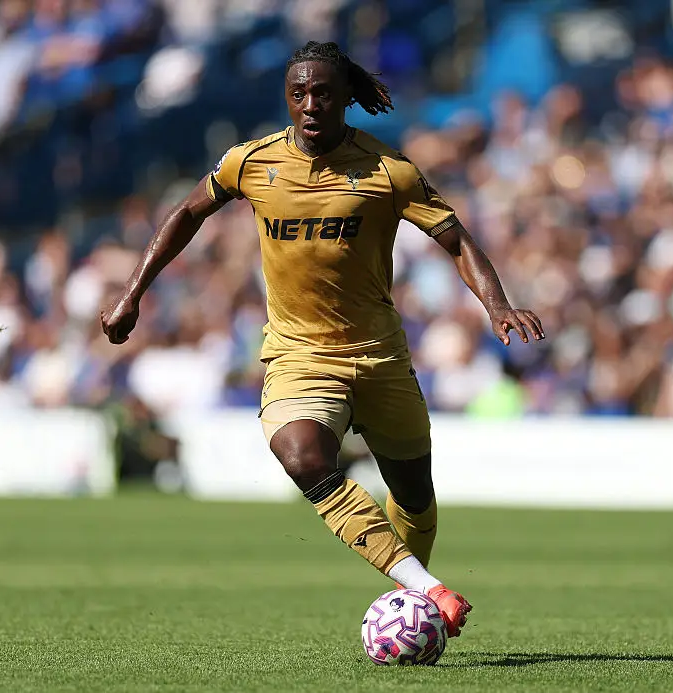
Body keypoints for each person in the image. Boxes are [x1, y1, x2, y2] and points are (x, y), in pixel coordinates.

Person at [101, 41, 545, 637]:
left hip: (381, 356)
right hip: (299, 355)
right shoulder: (251, 162)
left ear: (344, 98)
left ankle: (414, 592)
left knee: (413, 495)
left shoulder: (388, 171)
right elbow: (186, 212)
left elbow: (456, 239)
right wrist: (133, 292)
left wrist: (497, 304)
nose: (310, 104)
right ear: (287, 98)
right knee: (303, 457)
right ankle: (427, 591)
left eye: (323, 92)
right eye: (298, 93)